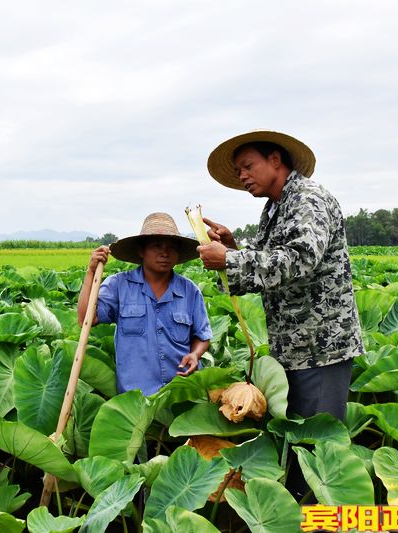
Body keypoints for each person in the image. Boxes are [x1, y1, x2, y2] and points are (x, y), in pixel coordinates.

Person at [197, 130, 363, 421]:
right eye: (238, 171)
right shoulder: (274, 208)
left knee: (317, 444)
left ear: (275, 160)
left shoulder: (307, 199)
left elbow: (300, 258)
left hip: (320, 346)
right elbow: (265, 268)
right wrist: (231, 249)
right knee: (297, 441)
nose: (243, 176)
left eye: (248, 166)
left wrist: (231, 259)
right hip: (290, 346)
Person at [78, 212, 212, 396]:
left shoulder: (190, 291)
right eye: (156, 246)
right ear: (142, 251)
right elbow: (86, 319)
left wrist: (195, 354)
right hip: (136, 398)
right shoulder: (119, 285)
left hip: (183, 393)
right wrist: (91, 272)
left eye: (171, 247)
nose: (164, 253)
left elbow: (202, 335)